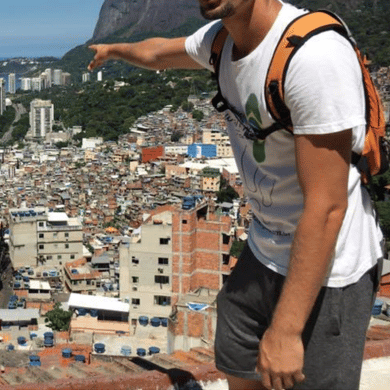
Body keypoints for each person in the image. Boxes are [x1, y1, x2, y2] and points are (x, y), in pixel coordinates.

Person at [89, 0, 383, 389]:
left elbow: (327, 207)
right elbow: (156, 52)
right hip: (265, 250)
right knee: (235, 355)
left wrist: (286, 330)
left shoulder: (313, 57)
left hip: (332, 266)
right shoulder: (221, 41)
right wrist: (113, 50)